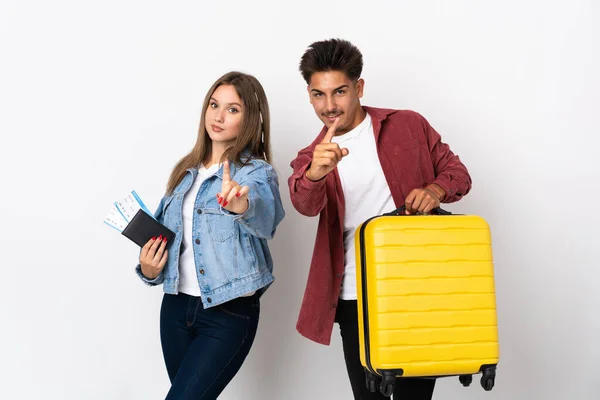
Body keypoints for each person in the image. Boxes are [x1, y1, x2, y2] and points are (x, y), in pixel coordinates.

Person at [288, 39, 472, 399]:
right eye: (318, 94)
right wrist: (314, 174)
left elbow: (458, 173)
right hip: (355, 295)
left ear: (358, 87)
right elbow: (304, 206)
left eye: (339, 91)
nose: (329, 105)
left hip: (417, 289)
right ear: (309, 96)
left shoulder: (407, 125)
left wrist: (434, 190)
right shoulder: (312, 156)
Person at [136, 71, 285, 399]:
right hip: (174, 309)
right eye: (214, 105)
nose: (218, 116)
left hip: (227, 313)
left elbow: (266, 218)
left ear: (251, 119)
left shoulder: (255, 172)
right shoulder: (184, 172)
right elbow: (165, 242)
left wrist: (241, 204)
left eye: (233, 109)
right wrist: (149, 270)